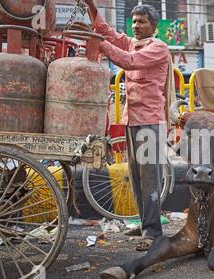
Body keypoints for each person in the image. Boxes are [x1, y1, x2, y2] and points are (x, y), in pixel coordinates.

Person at [84, 1, 175, 252]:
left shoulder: (158, 47)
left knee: (149, 179)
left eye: (142, 21)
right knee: (135, 176)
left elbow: (129, 61)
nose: (136, 26)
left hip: (149, 121)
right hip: (132, 118)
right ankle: (145, 224)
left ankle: (154, 232)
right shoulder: (134, 42)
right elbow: (108, 32)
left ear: (154, 26)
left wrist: (99, 44)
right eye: (134, 21)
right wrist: (91, 7)